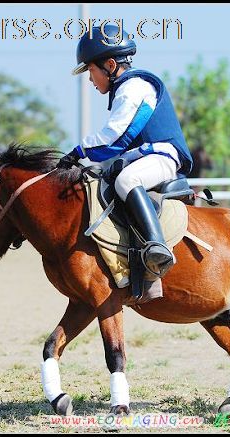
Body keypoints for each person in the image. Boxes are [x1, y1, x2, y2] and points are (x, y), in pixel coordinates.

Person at [57, 24, 194, 279]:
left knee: (127, 180)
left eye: (90, 70)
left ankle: (156, 245)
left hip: (163, 156)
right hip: (145, 156)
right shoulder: (124, 88)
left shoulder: (134, 87)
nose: (89, 79)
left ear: (109, 65)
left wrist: (77, 152)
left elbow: (117, 136)